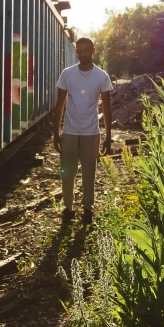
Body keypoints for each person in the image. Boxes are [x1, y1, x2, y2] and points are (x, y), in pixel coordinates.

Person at [53, 37, 113, 225]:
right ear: (77, 52)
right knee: (67, 171)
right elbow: (60, 104)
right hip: (70, 131)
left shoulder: (102, 76)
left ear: (94, 50)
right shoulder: (67, 74)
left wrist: (108, 137)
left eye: (87, 50)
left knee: (89, 171)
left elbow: (107, 108)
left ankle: (87, 208)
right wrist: (56, 132)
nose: (83, 54)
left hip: (91, 132)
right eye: (79, 51)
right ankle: (68, 208)